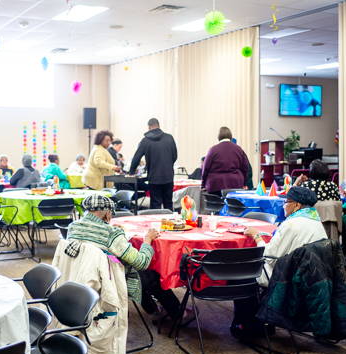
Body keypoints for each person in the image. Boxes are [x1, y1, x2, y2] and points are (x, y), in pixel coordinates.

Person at [65, 194, 195, 326]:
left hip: (82, 276)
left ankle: (155, 310)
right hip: (107, 280)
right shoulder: (112, 233)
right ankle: (179, 315)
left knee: (140, 272)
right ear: (108, 214)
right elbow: (141, 262)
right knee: (149, 274)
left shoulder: (73, 227)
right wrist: (147, 241)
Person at [233, 187, 327, 336]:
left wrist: (257, 236)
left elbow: (270, 258)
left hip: (284, 276)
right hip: (308, 277)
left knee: (239, 273)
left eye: (286, 202)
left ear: (297, 205)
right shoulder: (316, 222)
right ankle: (262, 320)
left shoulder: (290, 224)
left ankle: (250, 325)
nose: (283, 205)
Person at [129, 118, 178, 210]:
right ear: (159, 127)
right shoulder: (169, 138)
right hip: (168, 176)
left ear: (149, 127)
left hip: (154, 178)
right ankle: (170, 223)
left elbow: (136, 158)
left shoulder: (145, 140)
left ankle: (155, 223)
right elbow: (175, 156)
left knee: (155, 204)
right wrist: (167, 165)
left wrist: (131, 172)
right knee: (168, 203)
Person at [201, 127, 250, 194]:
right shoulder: (239, 150)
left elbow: (206, 168)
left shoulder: (213, 150)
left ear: (218, 137)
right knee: (234, 204)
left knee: (216, 203)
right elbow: (245, 168)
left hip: (215, 186)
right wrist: (245, 183)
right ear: (230, 137)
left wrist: (203, 184)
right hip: (236, 185)